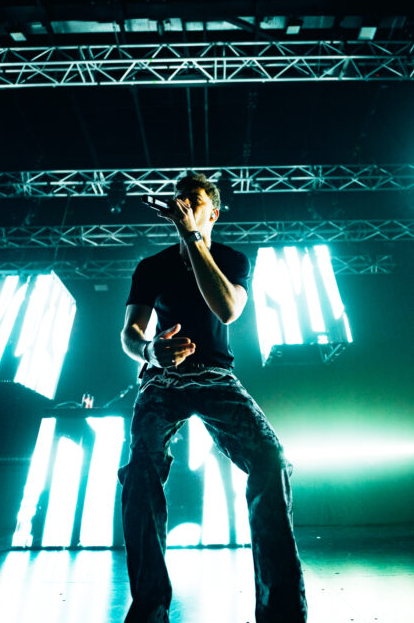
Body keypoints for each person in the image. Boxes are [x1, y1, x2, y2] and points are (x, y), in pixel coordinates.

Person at [118, 172, 307, 622]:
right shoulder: (151, 267)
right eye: (179, 198)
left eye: (194, 200)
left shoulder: (232, 260)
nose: (183, 204)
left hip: (217, 377)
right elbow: (129, 334)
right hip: (162, 380)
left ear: (214, 213)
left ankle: (281, 610)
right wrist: (149, 352)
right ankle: (149, 608)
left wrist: (192, 238)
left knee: (272, 461)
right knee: (140, 473)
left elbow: (227, 309)